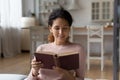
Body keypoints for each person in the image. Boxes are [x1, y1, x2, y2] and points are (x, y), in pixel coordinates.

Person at [25, 8, 86, 80]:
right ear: (50, 29)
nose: (61, 32)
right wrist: (34, 71)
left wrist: (68, 76)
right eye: (57, 28)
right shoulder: (41, 48)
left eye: (65, 28)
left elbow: (81, 78)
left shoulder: (78, 49)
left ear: (69, 29)